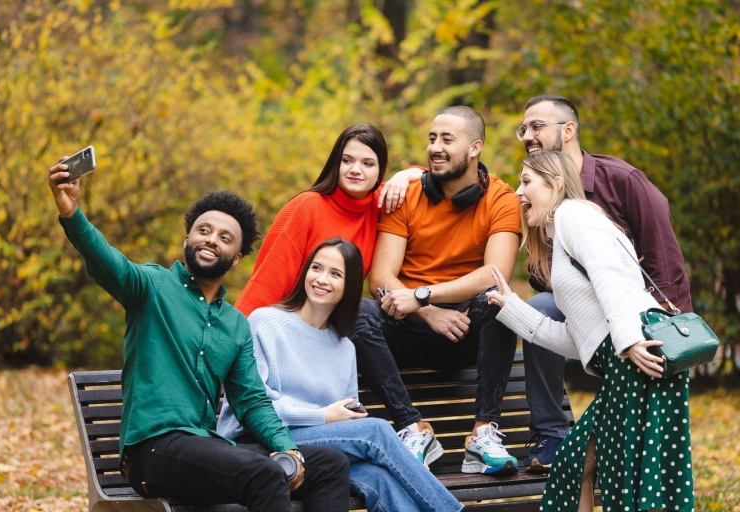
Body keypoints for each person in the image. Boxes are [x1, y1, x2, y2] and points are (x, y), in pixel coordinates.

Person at [47, 160, 350, 512]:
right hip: (153, 450)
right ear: (187, 238)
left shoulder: (236, 324)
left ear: (236, 258)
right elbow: (105, 262)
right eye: (204, 230)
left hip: (207, 448)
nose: (211, 240)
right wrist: (72, 213)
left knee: (330, 464)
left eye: (225, 238)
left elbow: (252, 401)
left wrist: (289, 449)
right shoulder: (152, 287)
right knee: (265, 473)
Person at [488, 151, 694, 512]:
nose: (519, 193)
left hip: (641, 352)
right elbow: (582, 339)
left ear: (553, 183)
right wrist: (513, 309)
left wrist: (629, 340)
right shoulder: (560, 238)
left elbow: (607, 274)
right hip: (628, 357)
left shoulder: (573, 214)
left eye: (526, 181)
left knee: (631, 480)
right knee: (572, 465)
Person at [217, 238, 463, 512]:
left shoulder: (345, 347)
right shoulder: (266, 322)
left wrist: (338, 417)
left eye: (335, 274)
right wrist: (322, 416)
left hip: (318, 452)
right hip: (255, 443)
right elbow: (252, 408)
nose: (322, 280)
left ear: (350, 286)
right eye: (316, 268)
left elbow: (343, 418)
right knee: (377, 431)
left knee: (380, 478)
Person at [516, 95, 693, 472]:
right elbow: (542, 278)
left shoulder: (622, 181)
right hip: (585, 317)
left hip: (636, 315)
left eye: (536, 127)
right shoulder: (537, 196)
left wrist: (668, 334)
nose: (527, 135)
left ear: (568, 130)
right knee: (540, 307)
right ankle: (551, 431)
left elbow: (663, 259)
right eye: (523, 129)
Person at [350, 106, 524, 474]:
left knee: (501, 302)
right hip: (406, 325)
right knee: (358, 310)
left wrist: (423, 295)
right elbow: (381, 276)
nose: (436, 147)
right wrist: (425, 310)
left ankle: (483, 436)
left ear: (475, 147)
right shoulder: (407, 193)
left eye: (448, 139)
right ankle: (413, 430)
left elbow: (495, 274)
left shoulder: (501, 199)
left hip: (461, 331)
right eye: (432, 138)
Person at [235, 123, 422, 317]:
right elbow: (268, 282)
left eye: (367, 163)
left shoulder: (382, 203)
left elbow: (437, 176)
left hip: (333, 329)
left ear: (380, 170)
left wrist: (403, 175)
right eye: (347, 160)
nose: (356, 170)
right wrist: (240, 338)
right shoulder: (306, 207)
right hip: (286, 322)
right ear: (336, 164)